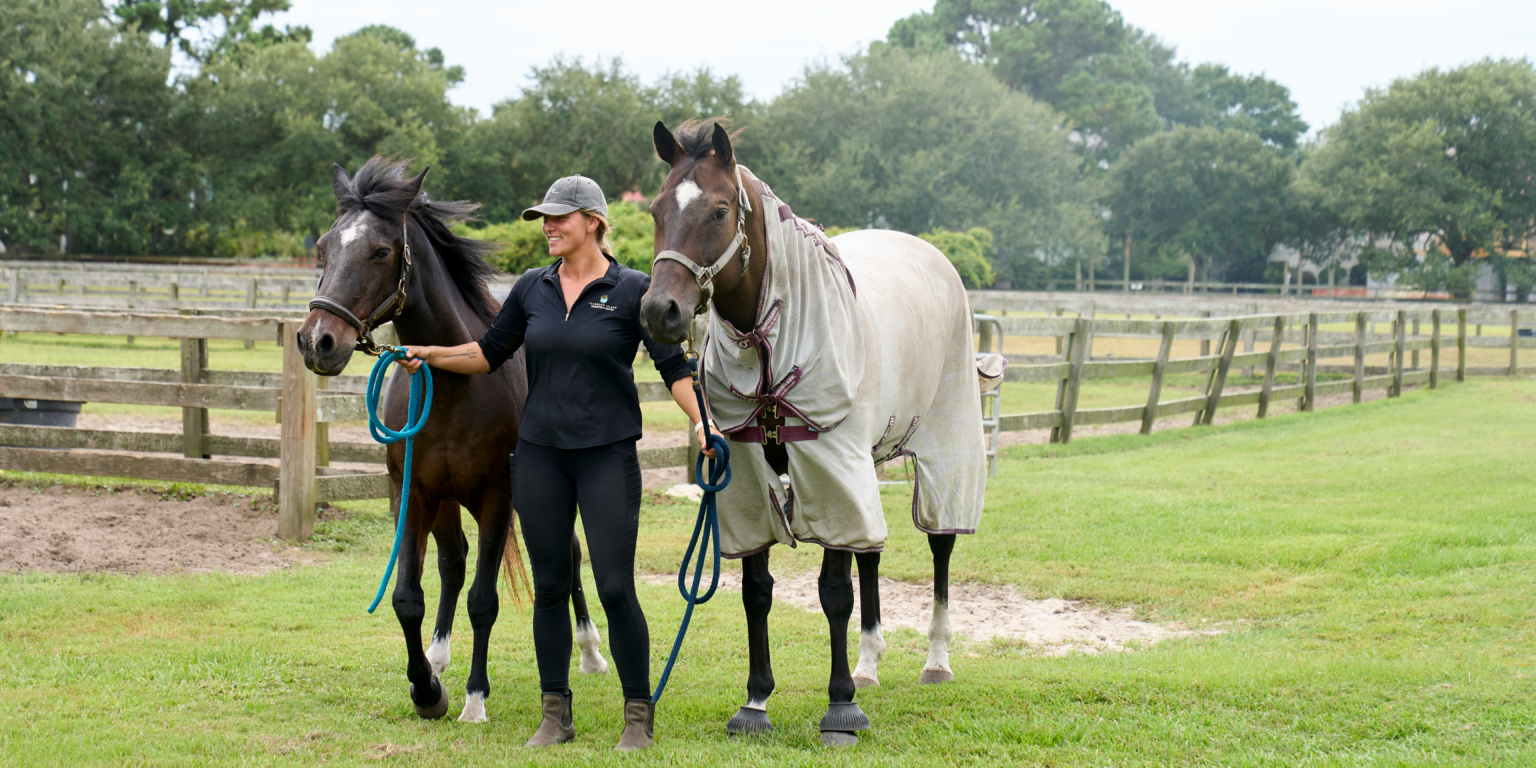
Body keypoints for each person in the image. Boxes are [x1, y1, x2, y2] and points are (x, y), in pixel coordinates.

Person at [399, 175, 713, 751]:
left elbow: (675, 371)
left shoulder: (632, 290)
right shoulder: (531, 288)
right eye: (543, 217)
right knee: (549, 587)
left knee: (616, 588)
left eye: (558, 217)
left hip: (606, 456)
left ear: (592, 221)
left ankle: (637, 717)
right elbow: (490, 352)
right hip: (540, 456)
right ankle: (555, 715)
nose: (547, 226)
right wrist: (431, 354)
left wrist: (702, 422)